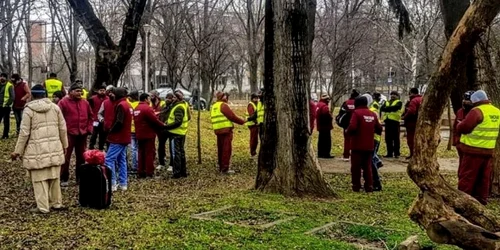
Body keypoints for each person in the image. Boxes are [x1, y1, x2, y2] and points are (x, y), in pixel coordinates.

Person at [11, 84, 68, 213]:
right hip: (54, 147)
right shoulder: (55, 108)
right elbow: (63, 128)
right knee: (54, 177)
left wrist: (17, 151)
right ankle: (56, 203)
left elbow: (24, 132)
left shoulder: (29, 110)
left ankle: (43, 207)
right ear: (45, 94)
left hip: (36, 149)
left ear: (32, 95)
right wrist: (65, 145)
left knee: (39, 179)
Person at [456, 90, 500, 205]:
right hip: (488, 150)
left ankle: (463, 200)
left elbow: (464, 128)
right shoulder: (496, 111)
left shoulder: (477, 111)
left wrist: (459, 124)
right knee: (484, 177)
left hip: (473, 150)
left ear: (475, 101)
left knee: (467, 176)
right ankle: (481, 200)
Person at [58, 83, 93, 186]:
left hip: (82, 133)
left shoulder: (85, 103)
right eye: (77, 91)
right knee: (66, 156)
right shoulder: (63, 102)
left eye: (80, 91)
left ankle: (80, 178)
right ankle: (64, 178)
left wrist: (89, 129)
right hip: (68, 134)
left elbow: (91, 116)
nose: (80, 93)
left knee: (82, 157)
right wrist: (62, 131)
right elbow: (59, 118)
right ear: (71, 92)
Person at [346, 95, 382, 193]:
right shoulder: (372, 114)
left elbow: (352, 127)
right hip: (369, 145)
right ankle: (369, 186)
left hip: (357, 145)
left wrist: (347, 132)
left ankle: (356, 186)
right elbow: (379, 128)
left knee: (356, 167)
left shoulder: (356, 113)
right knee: (368, 167)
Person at [105, 87, 133, 191]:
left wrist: (111, 131)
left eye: (113, 93)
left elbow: (119, 122)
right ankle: (123, 183)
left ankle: (112, 183)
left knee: (109, 159)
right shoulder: (127, 104)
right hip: (125, 137)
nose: (111, 95)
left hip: (118, 137)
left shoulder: (121, 105)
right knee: (122, 160)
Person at [211, 91, 246, 174]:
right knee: (226, 150)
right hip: (226, 130)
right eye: (225, 96)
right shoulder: (223, 105)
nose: (226, 98)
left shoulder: (214, 106)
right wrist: (242, 121)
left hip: (218, 130)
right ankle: (225, 168)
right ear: (222, 97)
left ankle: (221, 166)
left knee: (221, 149)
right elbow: (232, 116)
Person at [134, 93, 165, 178]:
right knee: (149, 153)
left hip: (139, 134)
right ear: (145, 99)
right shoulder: (147, 108)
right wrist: (163, 125)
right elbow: (154, 120)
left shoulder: (136, 108)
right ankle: (149, 172)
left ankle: (141, 172)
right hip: (148, 134)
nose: (149, 100)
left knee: (141, 153)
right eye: (148, 98)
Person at [165, 91, 191, 178]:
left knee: (176, 153)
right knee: (181, 152)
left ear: (177, 98)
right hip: (181, 132)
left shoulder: (178, 107)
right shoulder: (183, 105)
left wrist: (167, 126)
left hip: (175, 133)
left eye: (173, 97)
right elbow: (188, 117)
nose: (172, 99)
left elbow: (178, 122)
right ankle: (183, 172)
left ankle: (177, 173)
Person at [453, 91, 475, 165]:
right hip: (461, 144)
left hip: (473, 145)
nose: (466, 102)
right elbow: (455, 127)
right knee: (462, 164)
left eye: (468, 101)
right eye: (465, 100)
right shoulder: (460, 112)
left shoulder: (476, 113)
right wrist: (456, 141)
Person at [337, 89, 360, 161]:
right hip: (356, 124)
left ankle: (346, 156)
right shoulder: (358, 103)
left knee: (347, 140)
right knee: (356, 140)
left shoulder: (346, 102)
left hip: (346, 124)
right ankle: (355, 156)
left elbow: (340, 113)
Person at [402, 88, 423, 160]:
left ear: (411, 93)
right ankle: (418, 155)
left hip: (412, 123)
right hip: (420, 123)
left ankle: (413, 155)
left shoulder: (413, 100)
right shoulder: (422, 99)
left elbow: (411, 111)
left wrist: (404, 117)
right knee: (419, 139)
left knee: (411, 140)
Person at [381, 91, 403, 159]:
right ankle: (389, 153)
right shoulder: (386, 102)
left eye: (394, 95)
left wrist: (387, 109)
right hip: (387, 121)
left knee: (396, 138)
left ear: (397, 96)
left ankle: (397, 153)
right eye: (392, 94)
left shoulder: (399, 102)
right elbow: (382, 108)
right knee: (388, 138)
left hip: (395, 122)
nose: (393, 96)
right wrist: (390, 109)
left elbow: (395, 108)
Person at [157, 93, 176, 171]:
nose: (167, 99)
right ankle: (161, 163)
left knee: (172, 148)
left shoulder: (174, 107)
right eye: (166, 98)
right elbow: (160, 116)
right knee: (160, 146)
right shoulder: (163, 107)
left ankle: (172, 164)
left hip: (171, 129)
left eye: (169, 98)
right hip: (163, 129)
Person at [88, 84, 108, 150]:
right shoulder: (92, 99)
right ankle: (91, 147)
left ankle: (101, 148)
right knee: (94, 135)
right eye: (101, 90)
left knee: (102, 136)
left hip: (103, 120)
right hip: (95, 120)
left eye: (103, 90)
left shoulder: (107, 99)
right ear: (98, 91)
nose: (102, 92)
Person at [316, 94, 334, 158]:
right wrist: (330, 117)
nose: (328, 101)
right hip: (325, 126)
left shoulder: (318, 104)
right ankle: (326, 154)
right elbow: (326, 114)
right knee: (327, 141)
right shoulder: (324, 106)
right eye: (328, 100)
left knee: (320, 140)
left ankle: (320, 153)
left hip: (320, 126)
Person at [127, 90, 140, 174]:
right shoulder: (142, 104)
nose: (129, 98)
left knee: (133, 148)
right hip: (139, 129)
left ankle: (135, 166)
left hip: (131, 129)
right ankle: (139, 165)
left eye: (130, 97)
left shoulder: (129, 105)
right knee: (139, 148)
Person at [370, 93, 384, 169]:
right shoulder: (374, 106)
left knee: (372, 152)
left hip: (374, 132)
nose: (379, 98)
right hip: (376, 131)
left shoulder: (374, 106)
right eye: (379, 97)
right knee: (372, 151)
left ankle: (377, 162)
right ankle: (377, 162)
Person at [245, 93, 260, 157]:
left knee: (255, 139)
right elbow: (252, 115)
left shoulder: (256, 104)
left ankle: (253, 151)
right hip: (252, 124)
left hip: (255, 124)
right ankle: (252, 152)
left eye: (257, 98)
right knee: (254, 139)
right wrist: (256, 122)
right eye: (255, 98)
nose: (256, 99)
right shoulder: (251, 105)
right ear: (252, 98)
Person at [0, 73, 14, 139]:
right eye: (1, 76)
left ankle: (5, 135)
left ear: (6, 78)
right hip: (0, 106)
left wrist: (8, 104)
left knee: (6, 122)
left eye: (3, 77)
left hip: (6, 106)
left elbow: (12, 97)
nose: (2, 78)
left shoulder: (9, 85)